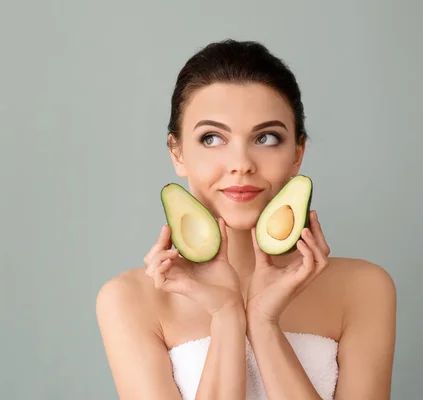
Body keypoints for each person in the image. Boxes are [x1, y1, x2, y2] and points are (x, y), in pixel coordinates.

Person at [95, 39, 397, 400]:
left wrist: (264, 323)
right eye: (212, 138)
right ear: (177, 153)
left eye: (266, 138)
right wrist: (226, 316)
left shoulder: (364, 289)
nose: (241, 163)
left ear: (297, 154)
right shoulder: (128, 300)